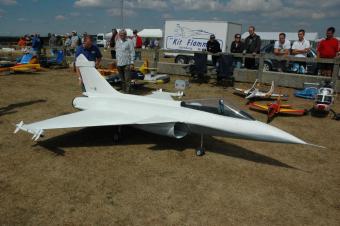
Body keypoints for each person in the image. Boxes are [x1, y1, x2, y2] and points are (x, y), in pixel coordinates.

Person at [116, 29, 135, 93]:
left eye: (123, 34)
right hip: (119, 63)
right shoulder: (117, 41)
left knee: (127, 80)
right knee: (122, 80)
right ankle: (124, 91)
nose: (122, 36)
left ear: (125, 35)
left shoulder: (129, 41)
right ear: (119, 35)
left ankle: (128, 92)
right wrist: (117, 61)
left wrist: (132, 63)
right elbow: (117, 52)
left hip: (127, 63)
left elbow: (132, 52)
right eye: (120, 34)